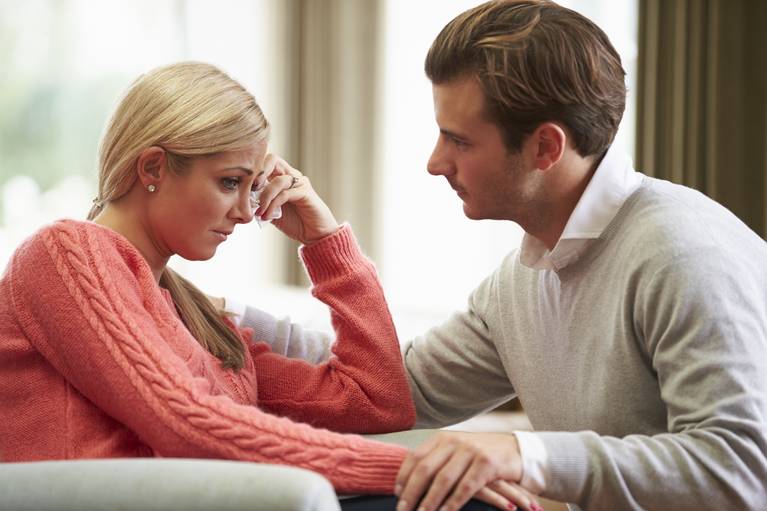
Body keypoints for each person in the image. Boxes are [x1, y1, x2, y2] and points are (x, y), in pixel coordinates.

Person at [230, 1, 767, 509]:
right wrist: (220, 318)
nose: (435, 163)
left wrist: (526, 454)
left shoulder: (685, 254)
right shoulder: (526, 277)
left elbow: (742, 469)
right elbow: (390, 386)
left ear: (546, 147)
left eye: (459, 141)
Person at [0, 61, 424, 499]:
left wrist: (325, 241)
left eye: (252, 188)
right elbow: (185, 422)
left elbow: (377, 402)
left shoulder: (203, 324)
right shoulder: (62, 254)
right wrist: (409, 469)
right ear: (153, 168)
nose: (245, 212)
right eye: (229, 182)